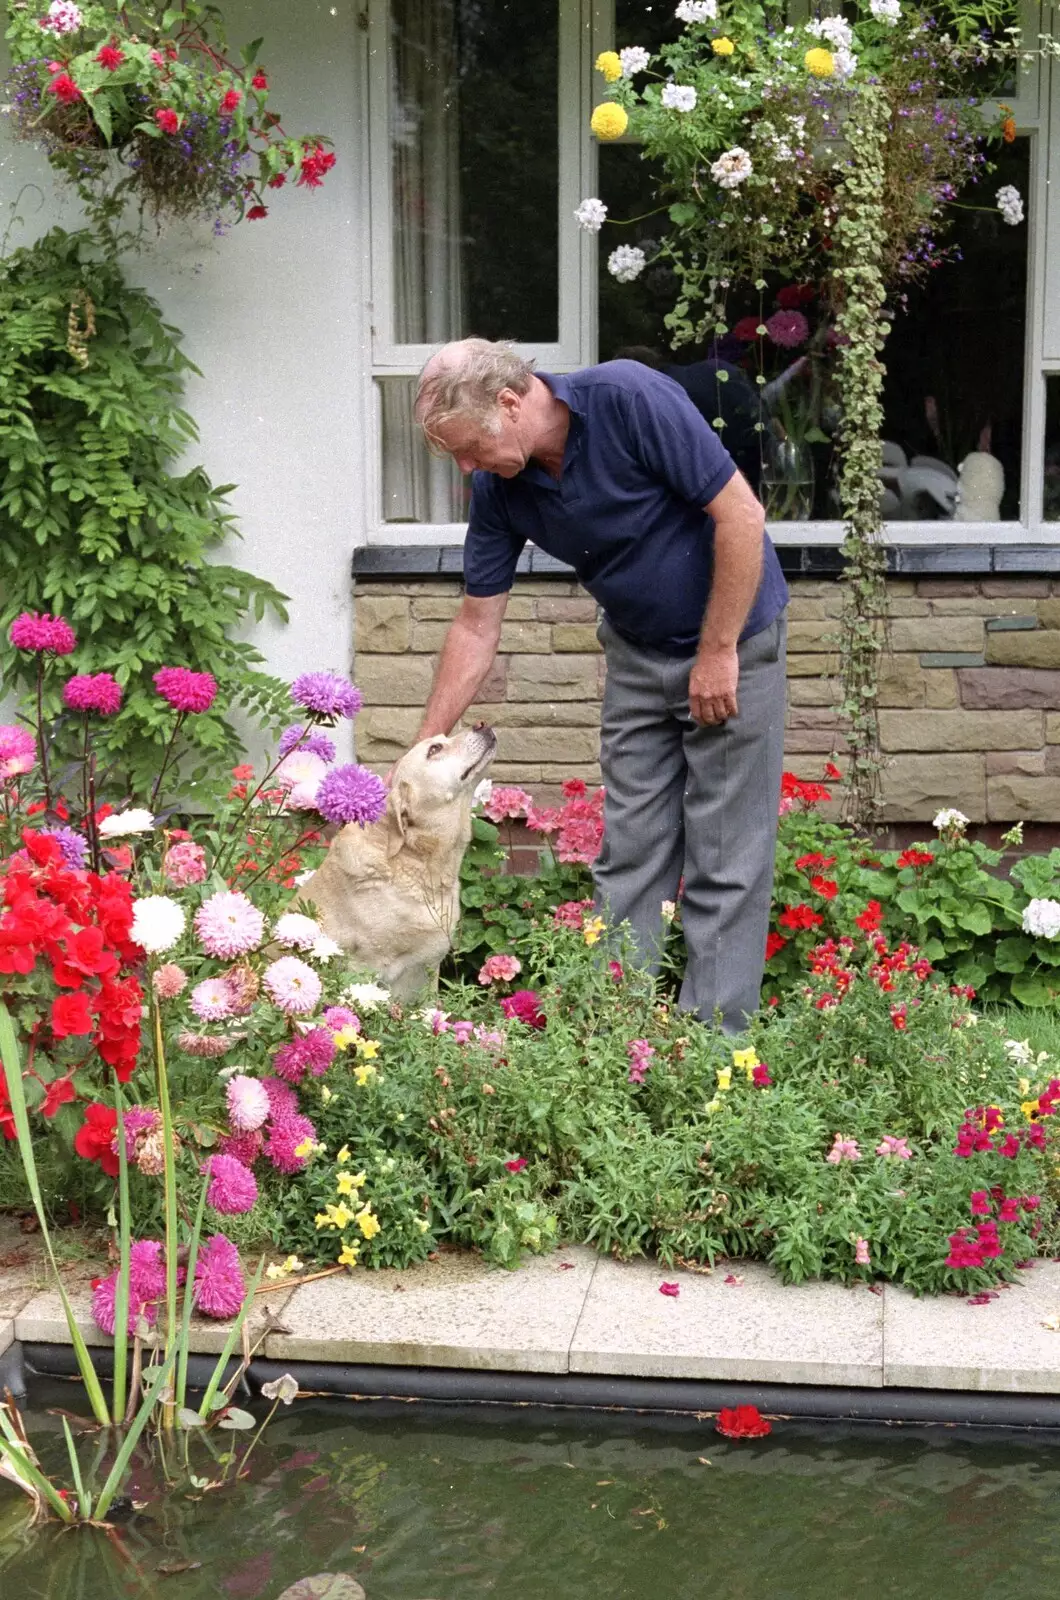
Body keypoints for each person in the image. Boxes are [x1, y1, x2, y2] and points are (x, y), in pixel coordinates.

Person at [411, 337, 789, 1032]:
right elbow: (475, 625)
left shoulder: (628, 398)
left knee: (726, 862)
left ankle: (711, 1057)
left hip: (733, 644)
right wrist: (424, 753)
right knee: (630, 858)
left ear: (509, 401)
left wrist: (717, 651)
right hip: (638, 656)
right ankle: (614, 1047)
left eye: (467, 448)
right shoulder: (500, 489)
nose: (466, 467)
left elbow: (741, 515)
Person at [613, 344, 762, 492]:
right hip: (752, 459)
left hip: (716, 481)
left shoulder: (657, 397)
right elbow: (760, 412)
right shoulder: (716, 369)